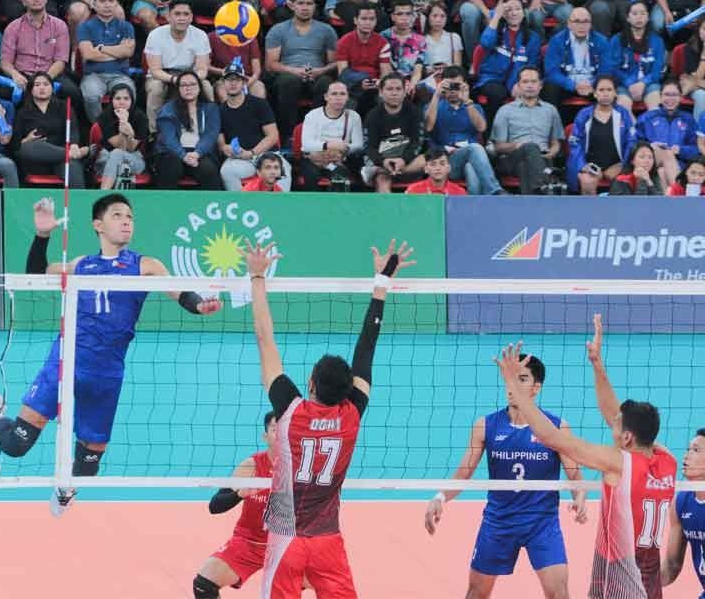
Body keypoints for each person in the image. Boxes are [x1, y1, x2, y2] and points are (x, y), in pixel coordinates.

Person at [0, 193, 223, 516]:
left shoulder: (145, 265)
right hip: (66, 363)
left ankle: (66, 489)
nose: (126, 221)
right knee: (15, 446)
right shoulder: (82, 265)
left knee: (89, 464)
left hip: (107, 373)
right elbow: (37, 273)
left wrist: (200, 305)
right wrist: (42, 235)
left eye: (130, 217)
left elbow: (182, 294)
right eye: (118, 215)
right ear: (98, 225)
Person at [241, 237, 415, 598]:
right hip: (327, 538)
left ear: (309, 383)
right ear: (350, 388)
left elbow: (264, 338)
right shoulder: (352, 413)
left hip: (285, 532)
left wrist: (257, 279)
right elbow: (367, 346)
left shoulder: (290, 411)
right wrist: (381, 283)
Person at [496, 314, 676, 599]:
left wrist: (517, 390)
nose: (610, 423)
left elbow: (551, 437)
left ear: (627, 437)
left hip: (619, 578)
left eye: (616, 424)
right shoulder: (667, 460)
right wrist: (597, 365)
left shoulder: (617, 462)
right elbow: (618, 417)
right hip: (649, 580)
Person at [424, 352, 587, 598]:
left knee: (559, 593)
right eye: (510, 378)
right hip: (499, 522)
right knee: (476, 592)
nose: (512, 385)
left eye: (521, 378)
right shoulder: (486, 425)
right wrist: (440, 497)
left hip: (542, 523)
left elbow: (576, 476)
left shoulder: (556, 427)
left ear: (536, 388)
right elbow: (464, 472)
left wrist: (580, 496)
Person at [193, 412, 277, 598]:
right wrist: (239, 494)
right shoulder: (252, 466)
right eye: (275, 429)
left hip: (288, 545)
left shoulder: (301, 468)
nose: (281, 434)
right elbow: (215, 506)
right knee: (203, 583)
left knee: (326, 582)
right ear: (265, 436)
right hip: (248, 543)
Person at [264, 0, 338, 141]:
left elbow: (334, 63)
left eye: (309, 3)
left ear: (315, 6)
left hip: (317, 75)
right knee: (288, 81)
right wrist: (294, 71)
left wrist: (320, 71)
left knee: (326, 83)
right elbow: (270, 64)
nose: (305, 7)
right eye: (301, 3)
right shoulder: (278, 30)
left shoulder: (326, 30)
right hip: (288, 75)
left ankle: (317, 132)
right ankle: (288, 134)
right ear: (292, 5)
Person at [425, 65, 504, 195]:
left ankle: (473, 206)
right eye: (449, 85)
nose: (453, 90)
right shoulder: (433, 106)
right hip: (446, 162)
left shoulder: (474, 107)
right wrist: (436, 95)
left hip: (471, 159)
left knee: (471, 167)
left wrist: (466, 101)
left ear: (465, 85)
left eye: (457, 85)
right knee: (476, 148)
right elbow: (428, 127)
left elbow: (481, 127)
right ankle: (495, 191)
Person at [217, 61, 290, 192]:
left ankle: (280, 208)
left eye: (237, 79)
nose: (233, 83)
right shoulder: (220, 110)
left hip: (266, 154)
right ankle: (242, 207)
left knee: (283, 170)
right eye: (229, 80)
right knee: (227, 171)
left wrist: (251, 153)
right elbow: (221, 141)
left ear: (244, 82)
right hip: (240, 158)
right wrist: (225, 148)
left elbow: (273, 136)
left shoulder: (259, 104)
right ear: (223, 84)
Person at [491, 66, 565, 195]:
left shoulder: (551, 110)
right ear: (518, 85)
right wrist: (516, 145)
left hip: (543, 158)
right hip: (512, 158)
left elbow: (556, 143)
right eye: (525, 82)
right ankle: (544, 187)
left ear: (540, 85)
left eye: (533, 81)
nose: (529, 85)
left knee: (525, 167)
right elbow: (498, 147)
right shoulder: (505, 110)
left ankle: (536, 196)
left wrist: (552, 152)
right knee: (530, 147)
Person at [0, 0, 81, 115]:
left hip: (51, 72)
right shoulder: (13, 27)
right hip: (22, 75)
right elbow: (5, 62)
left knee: (73, 92)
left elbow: (60, 61)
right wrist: (15, 75)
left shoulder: (59, 26)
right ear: (23, 2)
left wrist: (44, 80)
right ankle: (10, 130)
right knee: (5, 92)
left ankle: (71, 130)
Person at [143, 0, 214, 133]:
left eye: (186, 14)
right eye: (177, 14)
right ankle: (154, 133)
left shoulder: (200, 35)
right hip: (162, 75)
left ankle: (208, 131)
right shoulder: (155, 35)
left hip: (190, 74)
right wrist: (175, 80)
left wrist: (189, 80)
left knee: (207, 87)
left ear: (191, 17)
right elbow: (155, 70)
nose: (182, 18)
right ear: (168, 16)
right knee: (156, 89)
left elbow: (202, 70)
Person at [13, 72, 88, 188]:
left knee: (72, 167)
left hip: (60, 160)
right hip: (36, 160)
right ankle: (70, 154)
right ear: (31, 90)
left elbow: (73, 130)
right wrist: (26, 140)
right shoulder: (23, 112)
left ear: (52, 89)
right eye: (37, 85)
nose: (42, 88)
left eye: (46, 84)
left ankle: (79, 204)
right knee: (28, 146)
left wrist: (73, 145)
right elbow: (15, 145)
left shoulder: (64, 107)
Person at [475, 0, 541, 125]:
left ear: (523, 12)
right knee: (498, 93)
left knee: (529, 91)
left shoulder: (533, 38)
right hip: (491, 78)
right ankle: (491, 135)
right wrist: (496, 17)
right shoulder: (496, 30)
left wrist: (516, 84)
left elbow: (531, 66)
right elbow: (485, 43)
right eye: (508, 10)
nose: (513, 13)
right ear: (503, 14)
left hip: (518, 79)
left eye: (517, 9)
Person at [567, 74, 635, 195]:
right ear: (595, 93)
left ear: (615, 93)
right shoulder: (584, 114)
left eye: (609, 90)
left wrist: (622, 165)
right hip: (590, 165)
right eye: (601, 90)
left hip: (617, 165)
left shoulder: (623, 114)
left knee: (624, 184)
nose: (605, 93)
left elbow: (632, 142)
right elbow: (574, 143)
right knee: (587, 182)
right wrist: (583, 166)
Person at [154, 70, 222, 189]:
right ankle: (166, 205)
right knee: (172, 166)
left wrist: (197, 153)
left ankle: (207, 206)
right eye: (184, 85)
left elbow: (210, 135)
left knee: (208, 170)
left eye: (192, 84)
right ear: (178, 89)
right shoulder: (168, 109)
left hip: (200, 152)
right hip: (172, 152)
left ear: (199, 87)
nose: (188, 88)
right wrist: (183, 156)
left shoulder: (211, 108)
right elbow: (169, 139)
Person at [361, 73, 424, 193]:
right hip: (384, 163)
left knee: (429, 158)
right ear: (381, 92)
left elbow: (418, 142)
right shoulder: (373, 116)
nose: (394, 93)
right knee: (382, 180)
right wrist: (383, 162)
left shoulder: (414, 112)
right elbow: (370, 147)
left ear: (405, 92)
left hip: (409, 164)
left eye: (398, 89)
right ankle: (386, 210)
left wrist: (403, 160)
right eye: (389, 89)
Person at [660, 428, 705, 596]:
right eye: (688, 449)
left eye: (695, 450)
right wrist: (640, 582)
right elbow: (672, 565)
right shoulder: (681, 502)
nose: (686, 455)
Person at [77, 0, 136, 123]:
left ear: (116, 4)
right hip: (93, 76)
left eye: (111, 0)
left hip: (120, 75)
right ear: (94, 4)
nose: (107, 5)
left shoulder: (126, 26)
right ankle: (101, 129)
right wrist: (118, 52)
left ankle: (123, 127)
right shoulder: (85, 26)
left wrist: (101, 48)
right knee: (91, 96)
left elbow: (128, 52)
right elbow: (88, 54)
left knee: (127, 95)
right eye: (102, 1)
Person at [541, 7, 611, 110]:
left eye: (585, 22)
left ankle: (602, 123)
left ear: (591, 24)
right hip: (566, 85)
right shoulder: (557, 41)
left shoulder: (601, 41)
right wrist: (573, 85)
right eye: (577, 21)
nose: (581, 26)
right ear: (569, 24)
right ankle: (552, 123)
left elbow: (607, 70)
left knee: (608, 87)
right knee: (549, 86)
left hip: (593, 85)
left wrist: (593, 83)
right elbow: (551, 72)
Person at [299, 80, 363, 191]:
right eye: (334, 94)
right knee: (311, 175)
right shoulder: (313, 115)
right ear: (326, 97)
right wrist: (328, 146)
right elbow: (306, 144)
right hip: (314, 158)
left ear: (347, 97)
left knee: (342, 174)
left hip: (339, 158)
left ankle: (337, 207)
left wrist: (343, 149)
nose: (338, 97)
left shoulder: (353, 116)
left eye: (342, 94)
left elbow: (358, 144)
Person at [636, 79, 698, 190]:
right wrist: (649, 147)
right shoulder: (646, 118)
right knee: (666, 153)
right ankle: (680, 194)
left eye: (674, 95)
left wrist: (680, 150)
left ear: (680, 97)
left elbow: (696, 149)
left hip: (678, 166)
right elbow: (634, 146)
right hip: (650, 161)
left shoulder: (688, 120)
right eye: (667, 94)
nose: (670, 99)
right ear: (660, 97)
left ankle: (668, 204)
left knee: (662, 172)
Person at [335, 2, 392, 117]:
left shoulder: (383, 43)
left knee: (385, 98)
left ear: (376, 21)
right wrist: (359, 83)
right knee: (344, 99)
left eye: (371, 19)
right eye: (364, 18)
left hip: (376, 85)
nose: (368, 22)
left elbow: (385, 72)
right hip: (352, 86)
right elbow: (343, 72)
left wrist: (379, 83)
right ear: (356, 20)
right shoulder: (344, 42)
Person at [610, 0, 664, 113]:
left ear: (648, 17)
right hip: (623, 84)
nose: (639, 17)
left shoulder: (657, 41)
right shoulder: (617, 40)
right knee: (624, 112)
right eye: (634, 14)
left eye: (642, 13)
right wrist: (629, 82)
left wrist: (643, 83)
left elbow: (657, 71)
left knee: (655, 111)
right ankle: (633, 130)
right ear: (628, 18)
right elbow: (613, 68)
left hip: (650, 84)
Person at [94, 83, 149, 190]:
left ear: (131, 100)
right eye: (117, 98)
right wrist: (123, 124)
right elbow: (120, 147)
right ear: (112, 100)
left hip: (134, 158)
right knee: (122, 165)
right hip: (107, 158)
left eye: (126, 98)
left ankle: (103, 193)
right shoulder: (105, 116)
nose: (122, 102)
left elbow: (130, 148)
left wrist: (126, 125)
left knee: (120, 159)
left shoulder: (140, 117)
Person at [381, 0, 427, 94]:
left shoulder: (420, 40)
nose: (404, 18)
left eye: (408, 14)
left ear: (413, 16)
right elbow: (385, 67)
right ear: (392, 17)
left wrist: (412, 85)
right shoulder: (383, 37)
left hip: (412, 83)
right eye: (400, 14)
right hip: (388, 83)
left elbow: (418, 68)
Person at [208, 32, 265, 102]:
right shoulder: (212, 36)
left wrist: (246, 84)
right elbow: (207, 66)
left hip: (247, 78)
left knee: (259, 88)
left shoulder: (250, 35)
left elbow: (257, 71)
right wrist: (223, 71)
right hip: (223, 78)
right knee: (222, 91)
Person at [422, 2, 462, 76]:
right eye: (434, 16)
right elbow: (419, 67)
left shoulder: (454, 37)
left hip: (448, 77)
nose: (438, 20)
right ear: (428, 17)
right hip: (429, 78)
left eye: (442, 16)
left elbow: (457, 66)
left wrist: (447, 68)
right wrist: (431, 69)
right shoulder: (421, 39)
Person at [680, 18, 705, 122]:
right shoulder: (690, 48)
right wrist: (704, 55)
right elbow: (695, 79)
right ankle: (699, 135)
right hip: (695, 89)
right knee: (701, 96)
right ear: (699, 29)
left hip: (697, 84)